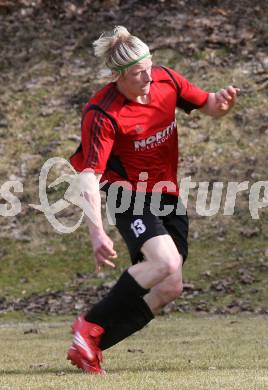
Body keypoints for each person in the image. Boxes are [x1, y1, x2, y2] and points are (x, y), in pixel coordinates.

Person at [67, 26, 240, 374]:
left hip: (167, 195)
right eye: (137, 73)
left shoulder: (165, 81)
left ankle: (90, 345)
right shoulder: (101, 112)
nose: (148, 76)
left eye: (149, 66)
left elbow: (206, 103)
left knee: (169, 285)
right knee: (165, 262)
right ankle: (87, 325)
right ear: (117, 76)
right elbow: (88, 175)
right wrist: (97, 232)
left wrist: (220, 104)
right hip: (126, 194)